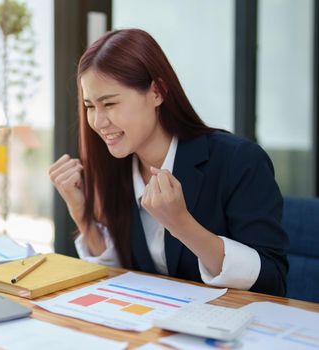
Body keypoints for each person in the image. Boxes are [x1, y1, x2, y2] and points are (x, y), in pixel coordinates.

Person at [49, 28, 288, 296]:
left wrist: (181, 224)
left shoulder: (238, 161)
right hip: (153, 329)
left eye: (110, 103)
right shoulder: (114, 167)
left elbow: (271, 280)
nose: (98, 121)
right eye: (90, 106)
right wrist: (83, 216)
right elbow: (122, 279)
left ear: (157, 92)